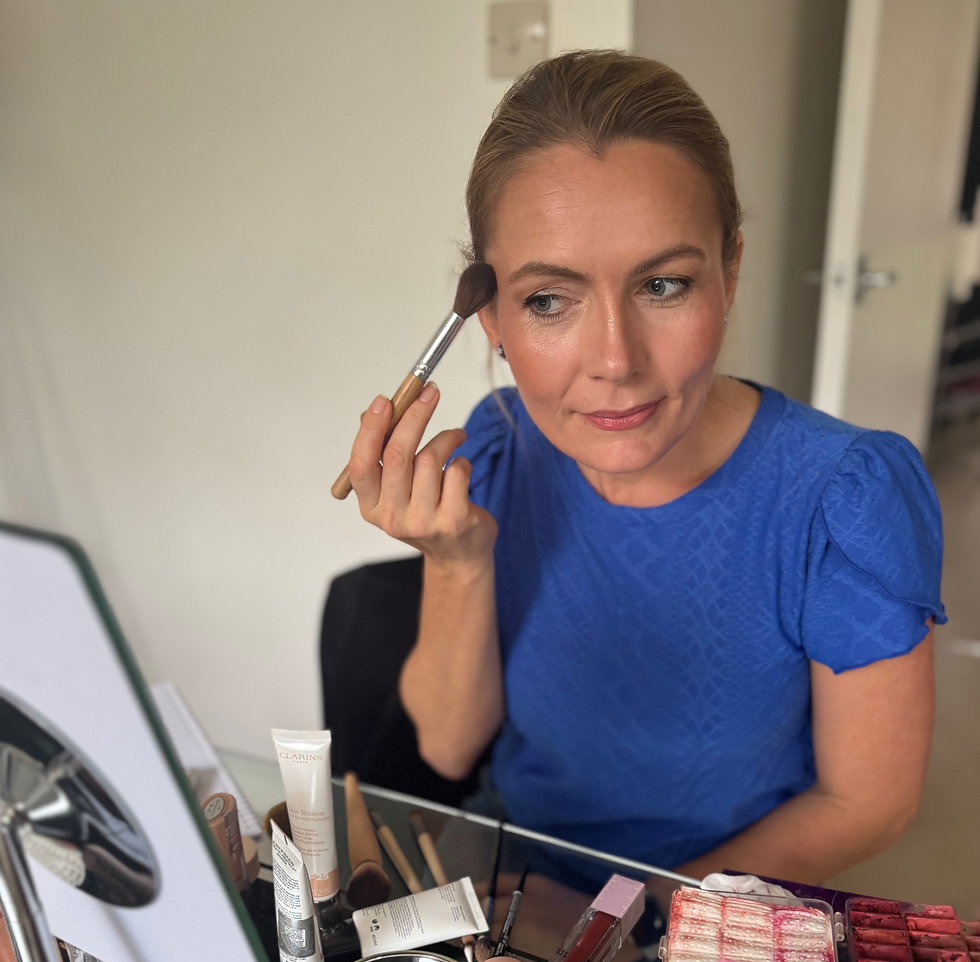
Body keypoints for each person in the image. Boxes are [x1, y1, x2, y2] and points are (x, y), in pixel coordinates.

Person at [346, 51, 944, 893]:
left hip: (724, 909)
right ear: (490, 316)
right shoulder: (498, 445)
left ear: (730, 271)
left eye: (663, 284)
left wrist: (625, 921)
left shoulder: (843, 497)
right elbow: (447, 746)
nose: (615, 361)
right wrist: (457, 562)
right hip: (516, 890)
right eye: (550, 300)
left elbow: (866, 801)